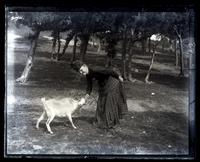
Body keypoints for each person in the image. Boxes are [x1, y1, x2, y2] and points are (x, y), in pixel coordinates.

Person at [71, 60, 128, 130]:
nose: (81, 73)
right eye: (80, 72)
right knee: (101, 103)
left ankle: (110, 123)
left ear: (85, 66)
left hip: (113, 81)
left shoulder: (95, 69)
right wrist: (84, 99)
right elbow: (89, 88)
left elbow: (110, 71)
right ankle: (103, 121)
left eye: (81, 70)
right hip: (104, 84)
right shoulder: (88, 75)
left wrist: (119, 77)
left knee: (108, 102)